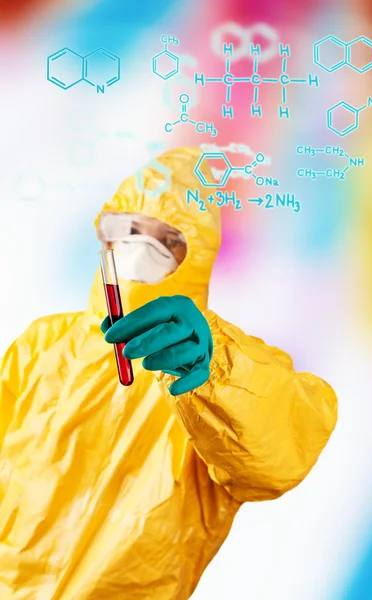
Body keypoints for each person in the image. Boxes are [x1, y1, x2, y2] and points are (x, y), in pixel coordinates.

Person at [0, 147, 338, 599]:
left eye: (161, 242)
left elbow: (282, 449)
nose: (133, 253)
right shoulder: (43, 346)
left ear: (193, 255)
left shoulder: (211, 374)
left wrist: (213, 370)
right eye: (123, 231)